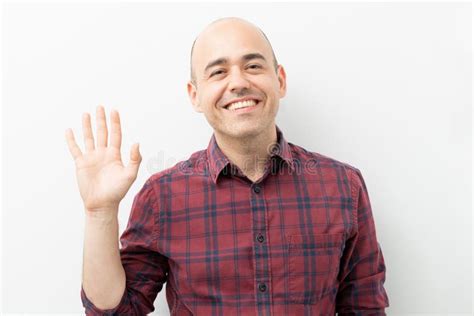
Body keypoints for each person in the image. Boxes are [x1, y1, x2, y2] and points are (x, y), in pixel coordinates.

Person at [66, 17, 389, 315]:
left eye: (252, 65)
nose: (238, 83)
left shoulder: (342, 186)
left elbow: (364, 307)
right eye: (218, 72)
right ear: (195, 95)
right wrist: (100, 213)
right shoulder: (162, 197)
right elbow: (115, 311)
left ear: (280, 81)